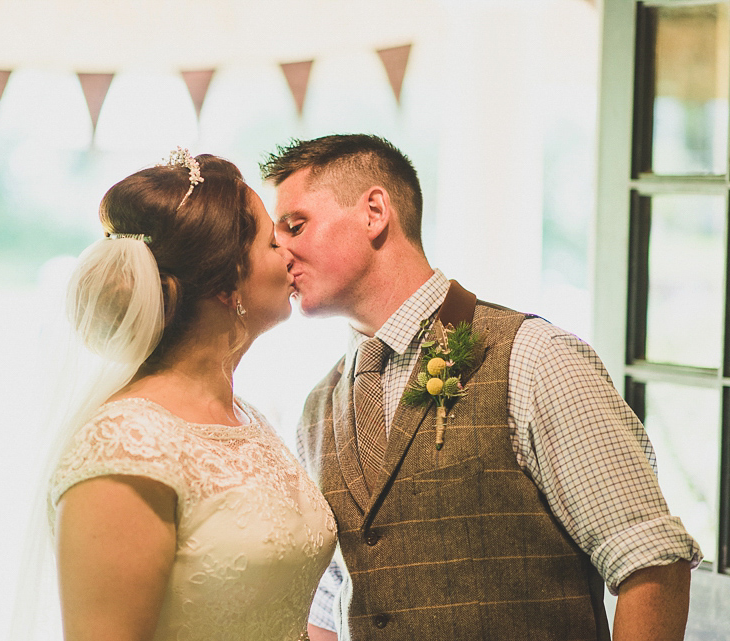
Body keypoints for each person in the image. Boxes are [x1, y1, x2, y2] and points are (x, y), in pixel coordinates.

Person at [259, 134, 701, 641]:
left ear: (374, 212)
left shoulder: (536, 357)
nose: (282, 252)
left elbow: (651, 561)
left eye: (295, 226)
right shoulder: (317, 409)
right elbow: (332, 598)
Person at [47, 150, 336, 640]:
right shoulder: (126, 444)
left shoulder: (247, 419)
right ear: (227, 286)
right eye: (271, 242)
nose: (289, 253)